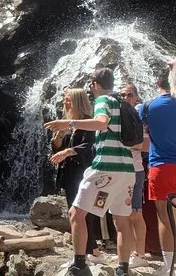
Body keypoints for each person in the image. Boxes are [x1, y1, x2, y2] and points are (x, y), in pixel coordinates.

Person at [45, 68, 135, 276]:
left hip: (105, 169)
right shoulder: (123, 103)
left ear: (94, 84)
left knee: (76, 213)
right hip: (127, 170)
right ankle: (123, 269)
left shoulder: (103, 101)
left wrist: (69, 122)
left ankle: (79, 266)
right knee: (121, 220)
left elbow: (101, 123)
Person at [140, 68, 176, 274]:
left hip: (161, 165)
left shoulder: (147, 106)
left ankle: (168, 266)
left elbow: (142, 131)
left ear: (158, 83)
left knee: (164, 217)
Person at [49, 88, 102, 264]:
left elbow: (88, 146)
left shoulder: (88, 122)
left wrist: (67, 151)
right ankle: (88, 251)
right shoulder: (67, 124)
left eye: (68, 99)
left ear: (78, 100)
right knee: (74, 210)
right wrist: (59, 136)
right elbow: (56, 147)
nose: (65, 102)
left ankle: (91, 251)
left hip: (83, 172)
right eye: (65, 99)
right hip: (69, 173)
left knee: (83, 212)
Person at [120, 83, 148, 268]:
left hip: (135, 171)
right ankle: (130, 252)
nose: (126, 98)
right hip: (119, 170)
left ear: (136, 97)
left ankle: (140, 254)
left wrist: (127, 145)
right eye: (123, 95)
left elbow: (146, 145)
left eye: (130, 95)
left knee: (135, 213)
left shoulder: (139, 117)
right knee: (122, 214)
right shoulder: (117, 115)